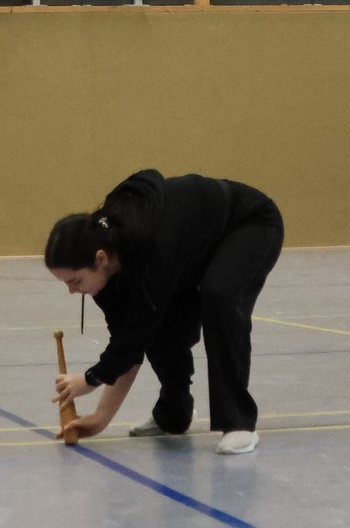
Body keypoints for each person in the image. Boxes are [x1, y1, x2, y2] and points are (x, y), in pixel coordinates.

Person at [45, 169, 283, 455]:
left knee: (219, 294)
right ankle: (174, 413)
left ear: (100, 258)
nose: (72, 291)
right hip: (190, 251)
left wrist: (90, 379)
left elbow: (137, 334)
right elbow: (127, 343)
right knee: (162, 329)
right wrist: (100, 419)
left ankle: (238, 422)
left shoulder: (149, 249)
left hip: (247, 223)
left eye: (75, 281)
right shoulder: (108, 279)